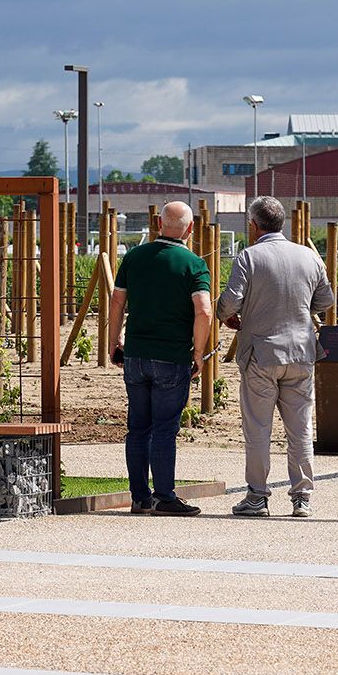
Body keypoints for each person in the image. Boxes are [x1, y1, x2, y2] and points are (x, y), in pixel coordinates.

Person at [218, 196, 335, 517]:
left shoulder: (249, 257)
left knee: (258, 429)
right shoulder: (309, 257)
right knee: (300, 429)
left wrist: (225, 315)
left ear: (253, 226)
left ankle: (257, 497)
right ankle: (302, 498)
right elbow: (326, 299)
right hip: (301, 352)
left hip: (261, 353)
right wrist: (299, 308)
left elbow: (230, 301)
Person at [108, 201, 212, 516]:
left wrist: (114, 341)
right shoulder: (193, 264)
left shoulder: (134, 258)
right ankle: (165, 497)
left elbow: (117, 300)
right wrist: (198, 351)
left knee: (138, 427)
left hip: (136, 355)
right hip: (172, 356)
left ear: (157, 223)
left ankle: (139, 497)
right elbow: (204, 310)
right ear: (191, 229)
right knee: (165, 428)